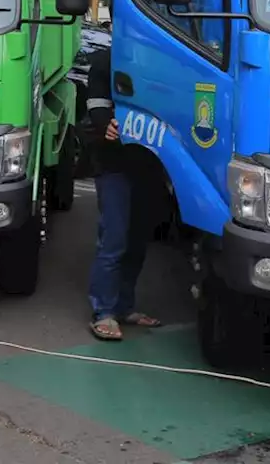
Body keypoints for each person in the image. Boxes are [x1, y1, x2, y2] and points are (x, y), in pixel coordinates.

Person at [84, 47, 161, 341]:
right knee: (114, 239)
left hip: (150, 166)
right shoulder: (106, 59)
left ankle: (124, 308)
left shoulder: (158, 58)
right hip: (113, 166)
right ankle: (103, 312)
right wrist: (107, 125)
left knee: (138, 241)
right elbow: (96, 104)